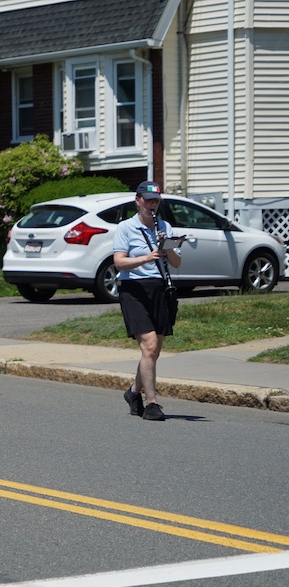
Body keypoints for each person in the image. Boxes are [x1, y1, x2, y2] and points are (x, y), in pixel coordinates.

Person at [113, 180, 182, 422]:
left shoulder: (164, 225)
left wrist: (168, 245)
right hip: (133, 290)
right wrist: (147, 257)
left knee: (153, 352)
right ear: (138, 200)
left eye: (156, 200)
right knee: (150, 346)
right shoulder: (125, 227)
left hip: (160, 289)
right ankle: (152, 403)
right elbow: (119, 262)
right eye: (148, 200)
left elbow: (176, 263)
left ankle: (133, 392)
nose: (152, 204)